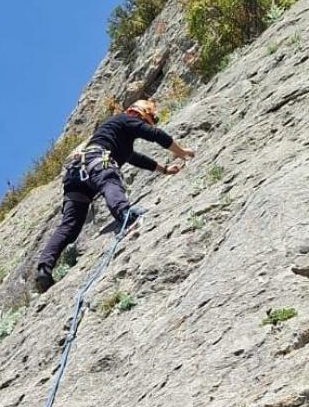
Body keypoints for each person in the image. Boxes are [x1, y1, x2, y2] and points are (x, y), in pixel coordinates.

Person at [35, 99, 196, 292]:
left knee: (69, 225)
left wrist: (164, 169)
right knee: (109, 179)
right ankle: (125, 214)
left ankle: (44, 269)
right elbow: (155, 135)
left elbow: (135, 158)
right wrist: (181, 152)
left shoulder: (117, 136)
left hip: (76, 175)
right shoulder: (126, 120)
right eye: (147, 120)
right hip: (97, 163)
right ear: (141, 115)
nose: (145, 125)